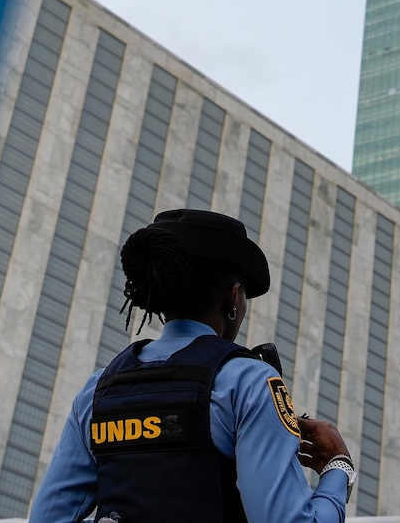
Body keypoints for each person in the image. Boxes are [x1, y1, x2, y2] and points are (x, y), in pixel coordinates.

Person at [31, 208, 357, 523]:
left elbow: (48, 517)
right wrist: (337, 468)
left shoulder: (97, 390)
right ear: (233, 297)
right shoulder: (250, 381)